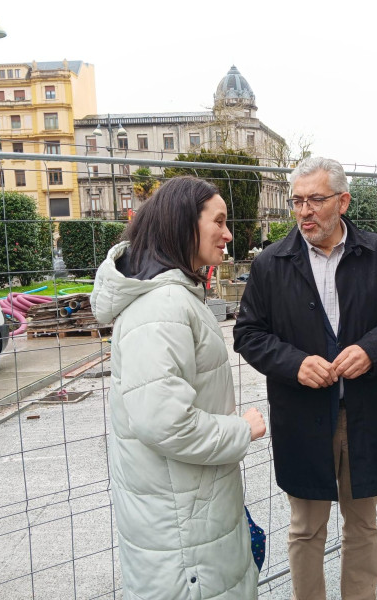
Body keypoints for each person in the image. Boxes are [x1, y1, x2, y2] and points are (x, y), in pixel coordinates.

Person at [234, 157, 377, 599]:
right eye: (297, 201)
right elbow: (248, 333)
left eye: (316, 200)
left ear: (343, 201)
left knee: (362, 525)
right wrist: (294, 363)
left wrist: (372, 350)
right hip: (302, 415)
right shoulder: (271, 264)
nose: (305, 211)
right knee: (305, 528)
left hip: (365, 413)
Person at [91, 176, 266, 599]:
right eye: (219, 222)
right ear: (183, 223)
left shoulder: (176, 297)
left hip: (189, 511)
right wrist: (242, 429)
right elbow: (165, 422)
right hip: (184, 532)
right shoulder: (161, 307)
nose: (228, 234)